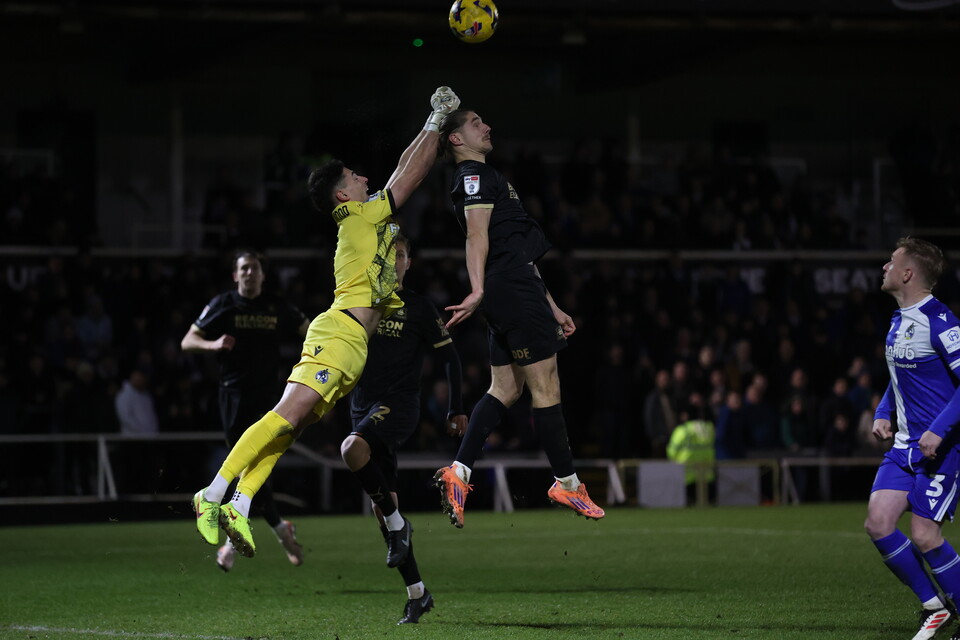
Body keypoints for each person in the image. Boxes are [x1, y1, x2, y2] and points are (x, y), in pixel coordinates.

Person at [191, 86, 461, 568]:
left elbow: (401, 170)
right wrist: (436, 121)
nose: (364, 177)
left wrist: (430, 129)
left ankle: (241, 503)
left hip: (353, 345)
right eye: (355, 176)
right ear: (343, 194)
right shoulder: (356, 218)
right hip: (338, 333)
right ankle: (210, 494)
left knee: (288, 431)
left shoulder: (364, 218)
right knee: (283, 415)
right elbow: (409, 177)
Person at [431, 108, 605, 528]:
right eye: (475, 123)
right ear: (456, 140)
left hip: (514, 288)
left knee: (505, 388)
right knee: (546, 385)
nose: (487, 126)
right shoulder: (472, 176)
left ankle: (460, 471)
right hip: (507, 289)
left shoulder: (489, 176)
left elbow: (517, 252)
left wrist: (552, 306)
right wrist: (476, 289)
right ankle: (567, 481)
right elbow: (477, 236)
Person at [341, 234, 468, 624]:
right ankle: (418, 593)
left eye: (400, 255)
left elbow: (451, 360)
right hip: (362, 408)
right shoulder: (363, 301)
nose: (394, 260)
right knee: (384, 509)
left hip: (398, 407)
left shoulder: (418, 307)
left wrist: (456, 409)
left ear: (409, 263)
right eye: (388, 254)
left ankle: (401, 526)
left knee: (351, 450)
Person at [181, 249, 310, 572]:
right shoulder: (224, 304)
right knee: (248, 470)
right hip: (233, 398)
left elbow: (310, 331)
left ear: (263, 276)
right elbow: (188, 340)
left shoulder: (276, 306)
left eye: (254, 268)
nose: (250, 273)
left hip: (269, 399)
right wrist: (213, 345)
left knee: (249, 468)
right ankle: (280, 530)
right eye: (244, 269)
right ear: (235, 275)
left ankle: (233, 544)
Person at [864, 237, 960, 640]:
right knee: (879, 522)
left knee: (924, 535)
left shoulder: (941, 322)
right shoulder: (899, 320)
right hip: (905, 446)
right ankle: (934, 605)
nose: (884, 266)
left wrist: (939, 429)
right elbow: (901, 378)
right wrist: (884, 411)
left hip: (943, 449)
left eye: (891, 261)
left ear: (908, 273)